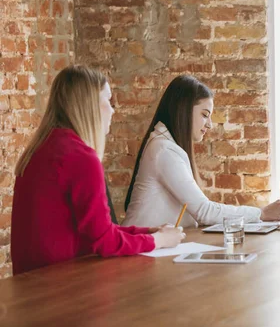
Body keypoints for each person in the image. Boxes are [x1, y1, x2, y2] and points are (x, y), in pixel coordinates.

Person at [11, 65, 184, 275]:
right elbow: (104, 241)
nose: (113, 111)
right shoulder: (81, 158)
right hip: (61, 285)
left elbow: (95, 229)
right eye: (108, 102)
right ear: (90, 106)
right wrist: (158, 241)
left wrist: (147, 232)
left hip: (29, 284)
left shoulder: (40, 149)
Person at [122, 75, 280, 228]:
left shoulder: (165, 146)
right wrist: (262, 213)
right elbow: (204, 211)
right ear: (184, 110)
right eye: (204, 114)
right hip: (139, 253)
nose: (210, 124)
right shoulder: (164, 150)